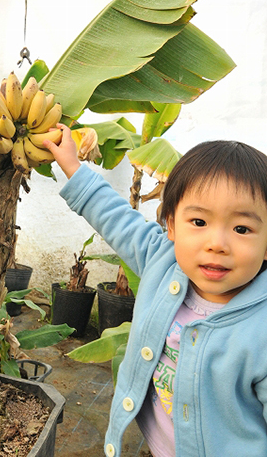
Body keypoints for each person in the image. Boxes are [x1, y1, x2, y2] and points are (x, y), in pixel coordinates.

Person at [43, 125, 267, 457]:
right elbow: (116, 219)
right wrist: (73, 166)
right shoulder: (162, 261)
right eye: (199, 222)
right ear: (172, 225)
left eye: (242, 228)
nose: (217, 244)